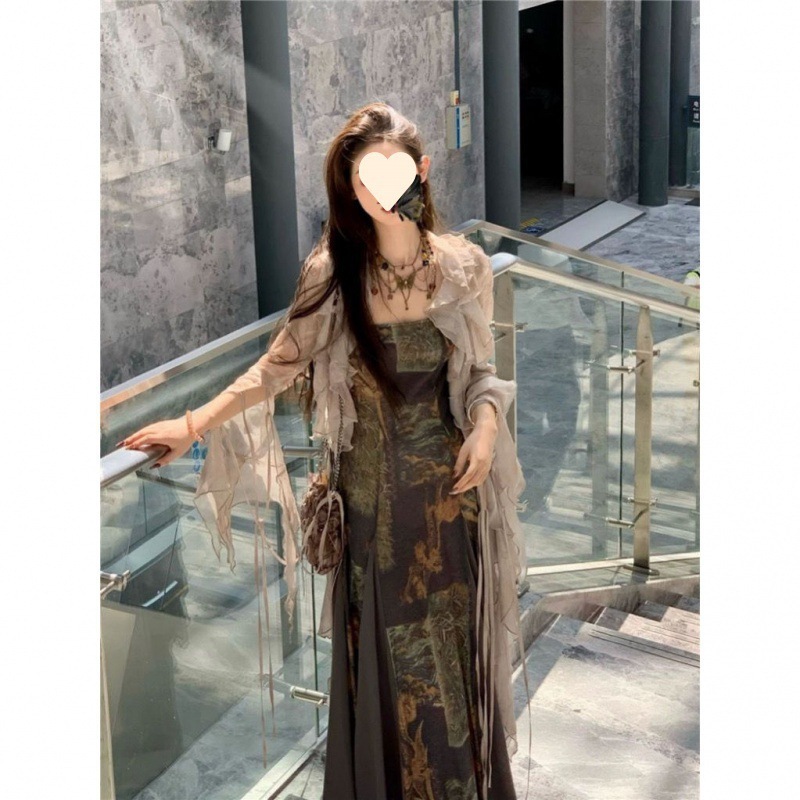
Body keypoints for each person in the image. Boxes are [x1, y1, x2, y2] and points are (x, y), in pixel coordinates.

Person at [120, 102, 531, 800]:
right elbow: (275, 368)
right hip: (373, 519)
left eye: (392, 174)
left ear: (422, 171)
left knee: (451, 664)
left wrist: (487, 427)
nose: (378, 192)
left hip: (453, 508)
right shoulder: (334, 275)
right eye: (364, 180)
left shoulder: (464, 267)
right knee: (390, 668)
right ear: (350, 189)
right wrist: (192, 423)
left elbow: (483, 373)